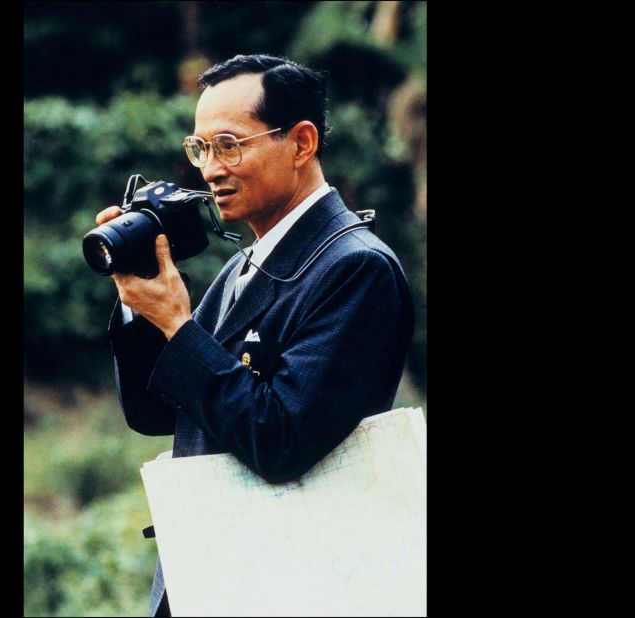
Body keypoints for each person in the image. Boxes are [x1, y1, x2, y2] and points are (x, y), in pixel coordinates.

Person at [95, 54, 414, 617]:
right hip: (212, 580)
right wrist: (139, 304)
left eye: (229, 144)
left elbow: (283, 438)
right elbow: (155, 412)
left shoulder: (356, 266)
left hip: (289, 586)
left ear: (302, 143)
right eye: (199, 149)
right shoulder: (247, 263)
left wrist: (177, 325)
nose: (210, 168)